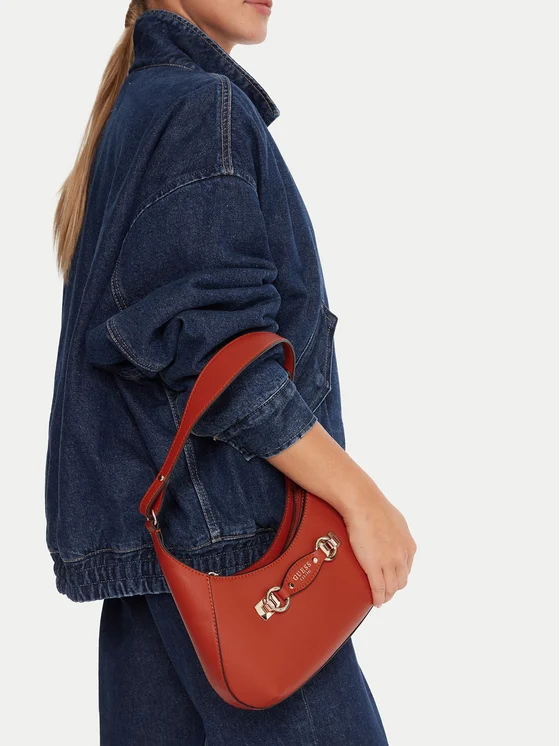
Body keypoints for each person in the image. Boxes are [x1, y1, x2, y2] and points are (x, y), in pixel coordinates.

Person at [46, 1, 417, 743]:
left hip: (165, 562)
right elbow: (220, 355)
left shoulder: (142, 108)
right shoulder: (197, 108)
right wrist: (361, 499)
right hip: (235, 552)